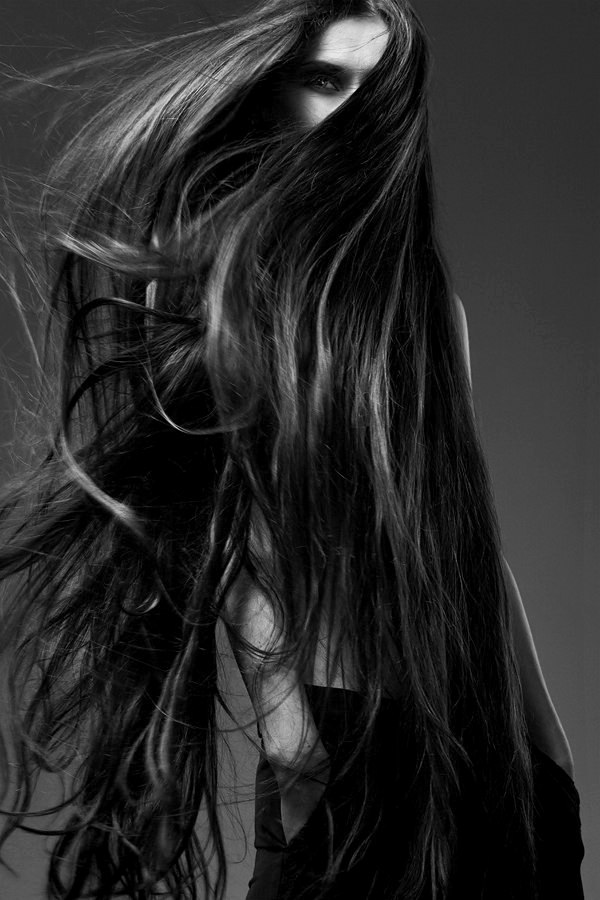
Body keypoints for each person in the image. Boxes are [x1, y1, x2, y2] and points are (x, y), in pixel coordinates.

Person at [0, 1, 585, 899]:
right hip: (346, 737)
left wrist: (548, 742)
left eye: (374, 89)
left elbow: (472, 540)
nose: (350, 110)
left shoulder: (430, 306)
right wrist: (293, 740)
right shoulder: (217, 284)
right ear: (271, 90)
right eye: (324, 80)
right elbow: (225, 524)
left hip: (489, 745)